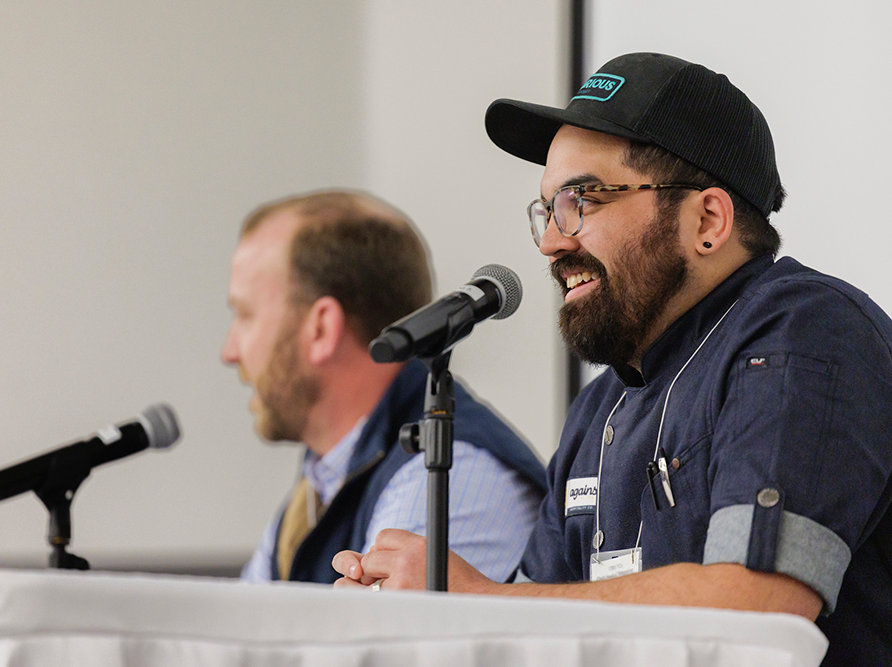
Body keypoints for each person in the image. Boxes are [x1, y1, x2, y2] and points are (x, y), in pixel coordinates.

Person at [333, 53, 892, 666]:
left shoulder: (803, 333)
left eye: (583, 200)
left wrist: (478, 599)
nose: (552, 241)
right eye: (547, 210)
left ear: (707, 220)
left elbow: (756, 612)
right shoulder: (599, 408)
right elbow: (539, 628)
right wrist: (419, 625)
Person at [223, 190, 547, 584]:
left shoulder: (443, 472)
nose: (229, 351)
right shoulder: (322, 479)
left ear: (321, 328)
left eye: (245, 316)